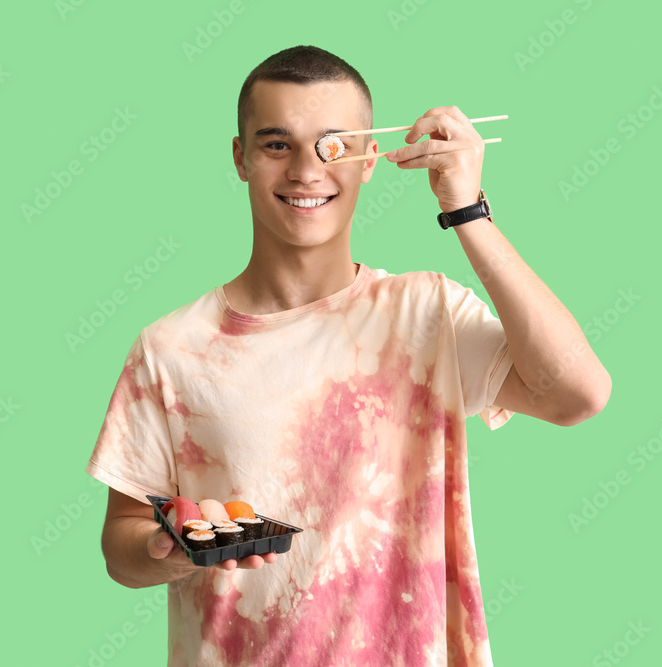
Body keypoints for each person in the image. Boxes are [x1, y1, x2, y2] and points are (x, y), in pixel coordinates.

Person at [86, 45, 610, 667]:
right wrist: (165, 550)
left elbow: (577, 393)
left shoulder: (425, 313)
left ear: (367, 160)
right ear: (241, 158)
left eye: (332, 146)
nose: (307, 171)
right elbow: (121, 546)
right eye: (277, 145)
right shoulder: (171, 347)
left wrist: (465, 209)